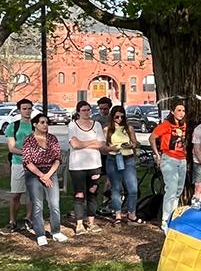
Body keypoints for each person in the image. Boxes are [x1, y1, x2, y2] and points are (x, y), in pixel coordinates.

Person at [22, 113, 68, 246]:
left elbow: (57, 159)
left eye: (46, 122)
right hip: (33, 173)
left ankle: (56, 232)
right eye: (42, 122)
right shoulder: (29, 140)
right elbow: (28, 161)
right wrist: (41, 176)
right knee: (37, 205)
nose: (45, 125)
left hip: (50, 172)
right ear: (35, 124)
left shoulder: (52, 139)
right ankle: (40, 234)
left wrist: (48, 175)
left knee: (54, 204)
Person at [68, 100, 105, 234]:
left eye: (88, 110)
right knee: (79, 194)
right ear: (78, 112)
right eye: (83, 110)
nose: (87, 112)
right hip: (77, 165)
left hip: (94, 164)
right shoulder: (72, 125)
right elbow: (74, 144)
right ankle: (79, 224)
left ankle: (91, 222)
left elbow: (101, 144)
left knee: (92, 193)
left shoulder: (97, 125)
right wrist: (92, 142)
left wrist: (83, 143)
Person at [150, 100, 188, 232]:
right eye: (178, 110)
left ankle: (173, 217)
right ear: (172, 111)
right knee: (171, 189)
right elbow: (152, 137)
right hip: (169, 158)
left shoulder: (183, 125)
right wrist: (157, 155)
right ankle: (165, 220)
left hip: (182, 159)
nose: (181, 113)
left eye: (183, 110)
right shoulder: (166, 125)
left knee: (178, 190)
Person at [1, 97, 34, 236]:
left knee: (33, 195)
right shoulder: (13, 126)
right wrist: (28, 153)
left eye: (29, 108)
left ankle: (29, 219)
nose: (27, 111)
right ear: (19, 110)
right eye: (24, 109)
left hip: (34, 165)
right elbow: (12, 148)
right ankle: (12, 221)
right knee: (16, 195)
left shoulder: (36, 125)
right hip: (18, 164)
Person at [105, 105, 142, 226]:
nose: (119, 119)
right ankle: (118, 215)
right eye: (117, 116)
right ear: (112, 117)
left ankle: (132, 214)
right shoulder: (107, 130)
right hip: (114, 158)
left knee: (133, 189)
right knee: (116, 188)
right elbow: (103, 147)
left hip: (128, 158)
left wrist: (131, 145)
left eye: (122, 116)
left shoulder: (128, 128)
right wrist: (111, 148)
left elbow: (135, 143)